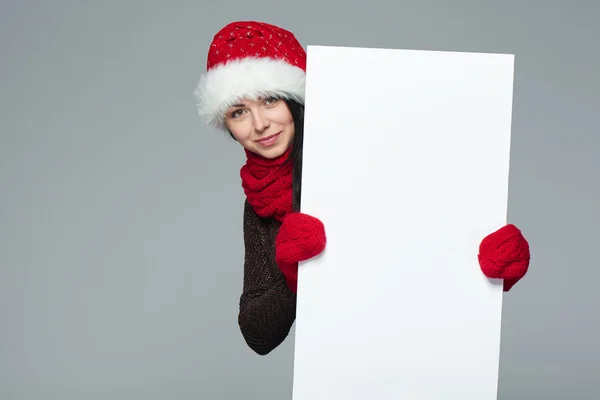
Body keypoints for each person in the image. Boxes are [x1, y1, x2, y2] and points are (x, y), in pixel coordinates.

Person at [193, 21, 531, 356]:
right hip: (351, 362)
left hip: (431, 349)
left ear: (295, 98)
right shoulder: (260, 202)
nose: (259, 124)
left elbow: (424, 246)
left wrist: (490, 266)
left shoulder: (366, 148)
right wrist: (297, 272)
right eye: (239, 112)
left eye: (270, 100)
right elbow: (258, 334)